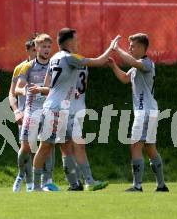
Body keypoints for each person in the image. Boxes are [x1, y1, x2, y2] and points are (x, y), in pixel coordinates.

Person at [32, 28, 119, 191]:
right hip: (56, 109)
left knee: (74, 144)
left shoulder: (54, 58)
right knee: (46, 146)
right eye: (76, 39)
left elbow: (48, 86)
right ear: (70, 42)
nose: (78, 42)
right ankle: (36, 186)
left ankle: (86, 182)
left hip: (61, 108)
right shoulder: (70, 57)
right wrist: (111, 48)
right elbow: (99, 61)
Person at [108, 33, 169, 192]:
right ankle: (161, 185)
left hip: (145, 112)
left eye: (133, 46)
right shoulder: (136, 66)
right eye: (129, 46)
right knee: (150, 148)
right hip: (149, 111)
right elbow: (124, 79)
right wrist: (114, 65)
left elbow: (131, 61)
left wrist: (117, 49)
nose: (130, 48)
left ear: (142, 47)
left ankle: (137, 185)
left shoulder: (146, 63)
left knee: (135, 146)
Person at [14, 33, 58, 192]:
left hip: (49, 110)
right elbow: (17, 88)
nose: (47, 49)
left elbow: (56, 87)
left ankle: (47, 181)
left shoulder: (54, 65)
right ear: (36, 48)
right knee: (26, 147)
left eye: (49, 46)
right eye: (43, 47)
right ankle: (21, 174)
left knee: (48, 146)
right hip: (31, 111)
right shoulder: (28, 66)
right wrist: (24, 90)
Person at [70, 65, 109, 191]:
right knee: (71, 145)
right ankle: (84, 181)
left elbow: (82, 86)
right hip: (67, 108)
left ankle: (78, 182)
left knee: (72, 146)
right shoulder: (65, 61)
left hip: (79, 107)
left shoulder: (82, 63)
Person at [10, 37, 36, 192]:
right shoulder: (20, 68)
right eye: (34, 49)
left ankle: (43, 182)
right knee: (26, 148)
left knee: (45, 147)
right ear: (27, 50)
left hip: (44, 112)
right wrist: (16, 111)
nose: (37, 52)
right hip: (26, 113)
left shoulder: (49, 66)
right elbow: (12, 93)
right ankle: (24, 178)